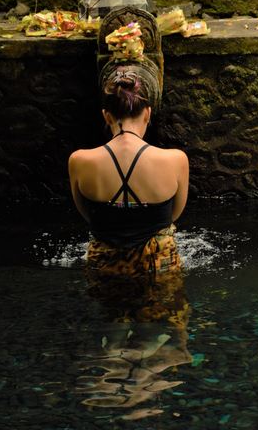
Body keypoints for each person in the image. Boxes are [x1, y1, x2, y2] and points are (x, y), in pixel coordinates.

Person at [68, 64, 189, 321]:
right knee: (162, 327)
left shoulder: (79, 161)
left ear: (106, 116)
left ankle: (113, 356)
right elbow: (172, 216)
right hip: (158, 263)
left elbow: (86, 213)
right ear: (147, 114)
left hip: (105, 262)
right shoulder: (175, 160)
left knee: (112, 329)